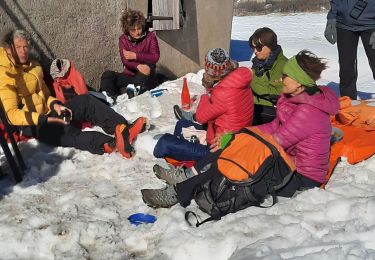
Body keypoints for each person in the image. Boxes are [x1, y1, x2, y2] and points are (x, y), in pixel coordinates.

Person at [141, 50, 339, 208]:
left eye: (286, 76)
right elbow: (273, 126)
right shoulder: (296, 99)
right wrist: (235, 135)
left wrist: (236, 140)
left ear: (299, 82)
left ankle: (180, 191)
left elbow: (275, 140)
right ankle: (185, 179)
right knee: (232, 150)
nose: (281, 79)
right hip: (287, 158)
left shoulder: (308, 112)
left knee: (235, 162)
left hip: (301, 176)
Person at [0, 29, 147, 158]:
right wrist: (44, 119)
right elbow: (11, 114)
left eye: (26, 46)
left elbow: (45, 95)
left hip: (49, 113)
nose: (23, 50)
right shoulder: (5, 73)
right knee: (67, 133)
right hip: (31, 124)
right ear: (7, 48)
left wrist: (56, 105)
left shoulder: (33, 66)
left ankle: (123, 129)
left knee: (86, 101)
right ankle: (110, 144)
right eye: (18, 47)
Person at [152, 47, 254, 162]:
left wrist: (207, 91)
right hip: (230, 136)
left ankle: (178, 153)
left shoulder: (223, 92)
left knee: (164, 143)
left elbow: (200, 117)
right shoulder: (239, 80)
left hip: (219, 149)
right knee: (181, 124)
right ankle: (180, 150)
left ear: (213, 73)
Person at [100, 9, 160, 101]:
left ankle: (133, 94)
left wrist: (136, 56)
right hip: (129, 75)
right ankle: (109, 98)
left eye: (139, 28)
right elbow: (125, 60)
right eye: (133, 29)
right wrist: (137, 65)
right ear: (127, 29)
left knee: (146, 67)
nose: (137, 32)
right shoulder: (123, 39)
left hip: (146, 76)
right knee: (107, 74)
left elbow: (155, 57)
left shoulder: (150, 37)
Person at [324, 0, 375, 100]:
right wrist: (332, 18)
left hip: (372, 24)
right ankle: (348, 105)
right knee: (346, 69)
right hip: (344, 24)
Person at [249, 27, 288, 125]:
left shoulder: (281, 65)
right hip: (255, 104)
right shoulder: (259, 62)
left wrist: (252, 82)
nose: (255, 51)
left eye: (258, 47)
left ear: (270, 46)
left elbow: (278, 92)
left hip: (272, 109)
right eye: (253, 47)